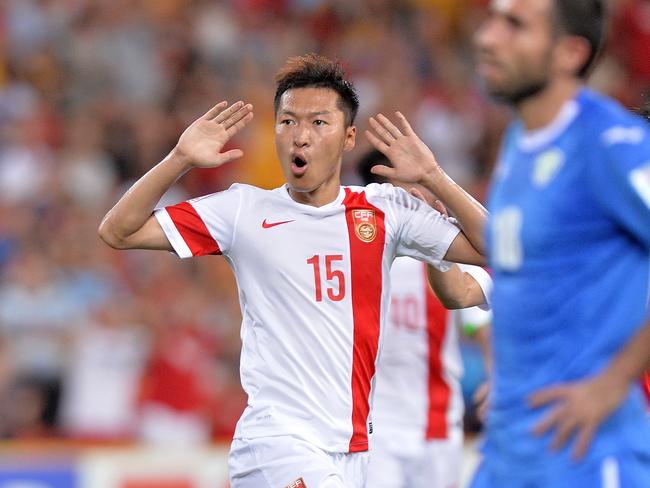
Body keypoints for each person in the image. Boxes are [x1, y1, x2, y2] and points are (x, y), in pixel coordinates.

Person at [98, 54, 488, 488]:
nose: (300, 136)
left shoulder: (384, 213)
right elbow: (118, 231)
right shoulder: (243, 210)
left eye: (319, 123)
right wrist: (179, 158)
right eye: (288, 122)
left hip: (354, 450)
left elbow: (499, 250)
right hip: (276, 443)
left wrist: (435, 177)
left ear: (347, 137)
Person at [467, 0, 650, 485]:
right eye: (492, 20)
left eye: (516, 26)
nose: (488, 38)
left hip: (586, 457)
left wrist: (612, 385)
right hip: (508, 453)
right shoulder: (517, 145)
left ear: (570, 52)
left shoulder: (610, 143)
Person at [357, 150, 493, 488]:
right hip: (374, 426)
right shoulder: (355, 255)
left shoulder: (445, 254)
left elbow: (474, 316)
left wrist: (498, 373)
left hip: (437, 425)